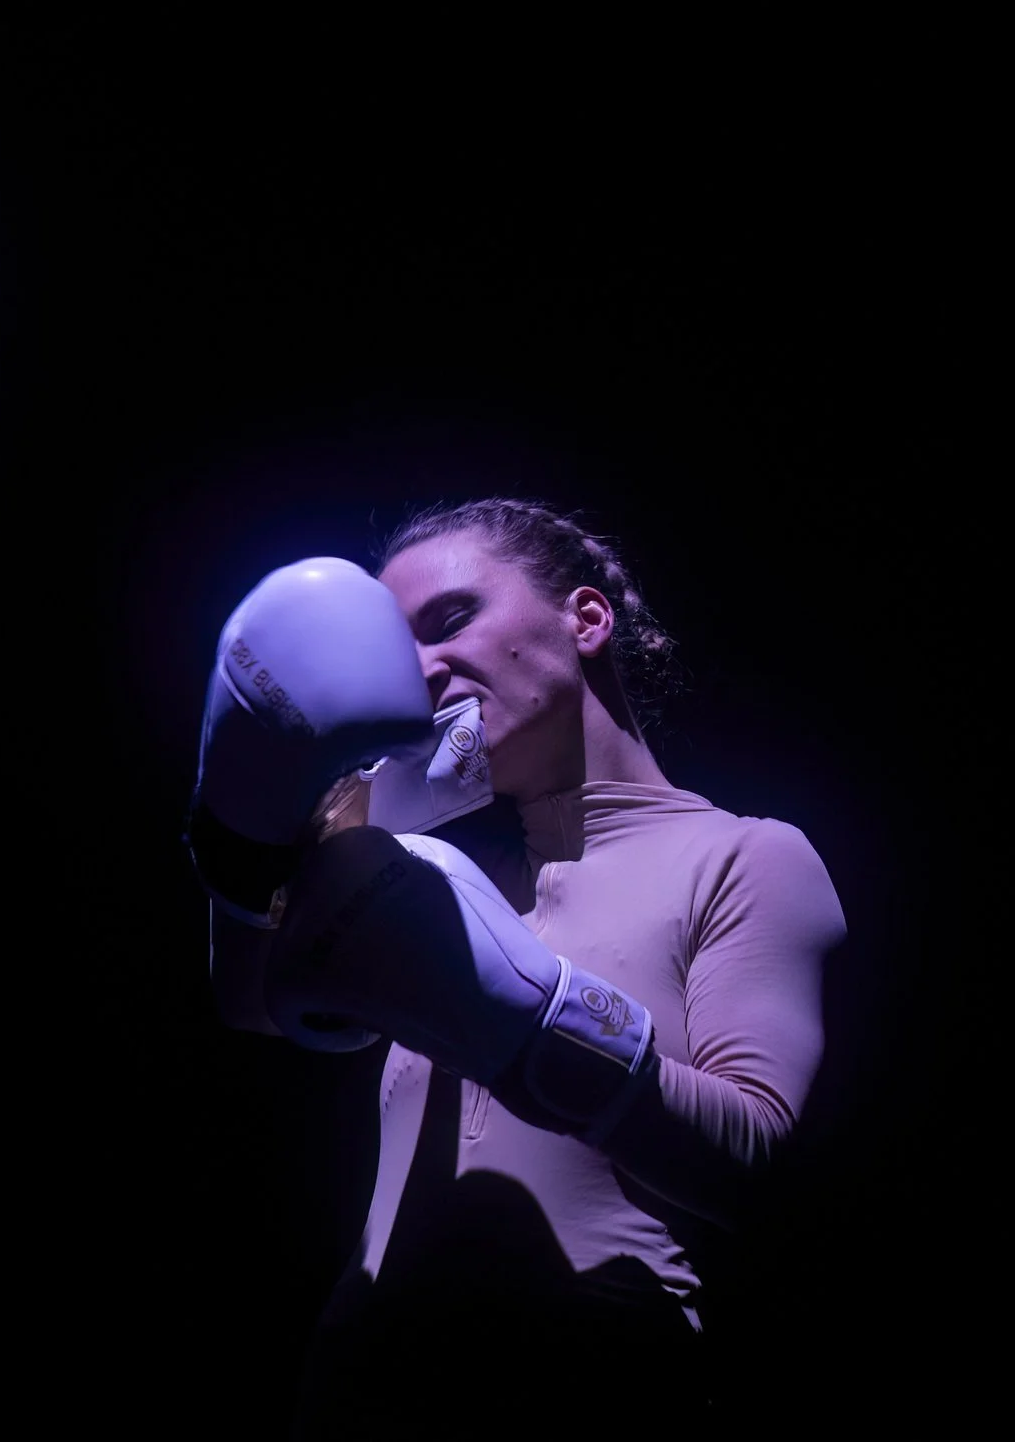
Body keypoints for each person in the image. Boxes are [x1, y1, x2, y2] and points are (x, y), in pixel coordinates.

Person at [185, 498, 849, 1434]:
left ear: (587, 619)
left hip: (604, 1414)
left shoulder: (745, 856)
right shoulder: (419, 874)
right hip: (355, 1420)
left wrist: (534, 1021)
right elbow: (253, 997)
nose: (419, 671)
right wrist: (248, 803)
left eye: (451, 619)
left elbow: (761, 1164)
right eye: (398, 650)